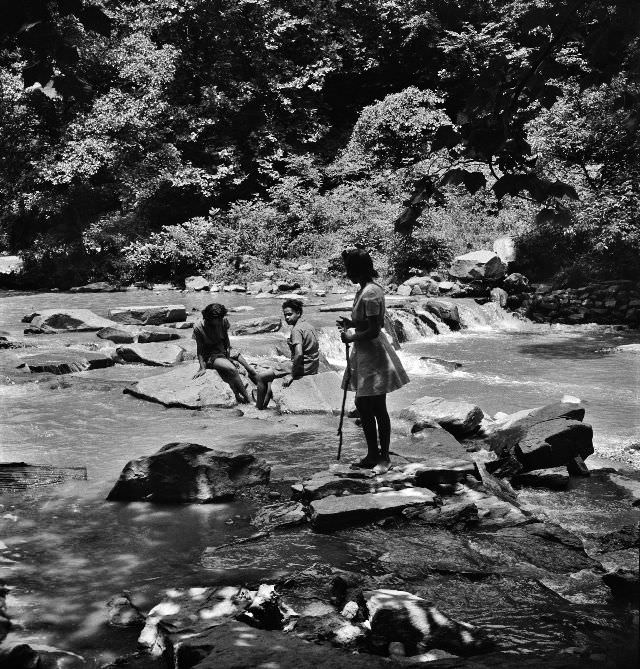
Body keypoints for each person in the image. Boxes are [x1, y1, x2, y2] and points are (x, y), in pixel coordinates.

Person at [337, 246, 409, 473]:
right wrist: (351, 325)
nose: (346, 273)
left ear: (355, 270)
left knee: (377, 405)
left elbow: (374, 330)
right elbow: (365, 324)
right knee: (362, 403)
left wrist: (351, 335)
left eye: (348, 268)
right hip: (364, 353)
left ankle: (384, 457)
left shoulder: (371, 293)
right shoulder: (364, 290)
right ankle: (372, 453)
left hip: (374, 354)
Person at [254, 298, 320, 409]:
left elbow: (298, 354)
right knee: (275, 371)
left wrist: (292, 375)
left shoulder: (296, 330)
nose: (287, 318)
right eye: (285, 315)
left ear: (298, 313)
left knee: (260, 377)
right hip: (312, 365)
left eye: (289, 314)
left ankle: (259, 408)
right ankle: (266, 402)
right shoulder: (309, 326)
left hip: (302, 366)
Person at [192, 303, 257, 403]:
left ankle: (251, 371)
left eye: (220, 319)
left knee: (237, 355)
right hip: (210, 355)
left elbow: (226, 339)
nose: (219, 321)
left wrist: (227, 355)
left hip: (221, 348)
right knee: (232, 369)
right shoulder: (198, 327)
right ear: (208, 317)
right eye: (217, 319)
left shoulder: (223, 321)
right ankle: (248, 398)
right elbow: (200, 348)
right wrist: (202, 367)